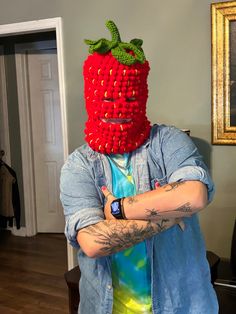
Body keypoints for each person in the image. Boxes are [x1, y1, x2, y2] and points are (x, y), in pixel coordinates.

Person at [60, 20, 218, 314]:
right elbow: (92, 242)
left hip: (183, 305)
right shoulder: (79, 165)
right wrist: (167, 218)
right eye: (108, 99)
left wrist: (118, 208)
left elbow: (195, 196)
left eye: (130, 98)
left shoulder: (168, 141)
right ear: (92, 99)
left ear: (142, 96)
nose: (119, 110)